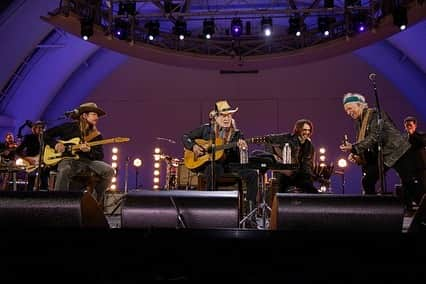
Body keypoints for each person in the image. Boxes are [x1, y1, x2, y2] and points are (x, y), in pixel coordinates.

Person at [339, 93, 425, 209]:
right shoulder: (358, 122)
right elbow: (366, 142)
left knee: (410, 184)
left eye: (350, 108)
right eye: (346, 110)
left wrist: (354, 147)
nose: (348, 112)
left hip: (399, 151)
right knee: (368, 180)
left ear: (360, 105)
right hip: (383, 155)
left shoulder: (375, 114)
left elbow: (375, 136)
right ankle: (374, 211)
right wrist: (355, 153)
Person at [182, 100, 259, 223]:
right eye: (223, 115)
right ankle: (209, 210)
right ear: (216, 117)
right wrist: (194, 147)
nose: (227, 118)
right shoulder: (206, 130)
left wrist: (243, 150)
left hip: (231, 165)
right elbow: (185, 137)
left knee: (253, 174)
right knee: (213, 169)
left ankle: (251, 214)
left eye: (229, 115)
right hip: (212, 164)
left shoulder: (237, 134)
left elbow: (242, 160)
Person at [43, 102, 115, 207]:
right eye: (94, 114)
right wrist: (56, 144)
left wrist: (89, 150)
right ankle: (58, 203)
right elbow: (45, 135)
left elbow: (100, 156)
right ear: (84, 115)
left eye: (97, 115)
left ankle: (93, 204)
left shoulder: (96, 135)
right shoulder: (68, 127)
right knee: (65, 169)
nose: (97, 117)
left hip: (87, 162)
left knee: (109, 170)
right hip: (68, 160)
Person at [264, 119, 318, 194]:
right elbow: (267, 139)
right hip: (286, 173)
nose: (307, 132)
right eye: (304, 130)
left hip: (300, 174)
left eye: (309, 130)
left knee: (310, 188)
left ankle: (316, 203)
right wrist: (273, 156)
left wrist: (311, 176)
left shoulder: (309, 145)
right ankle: (280, 204)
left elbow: (308, 164)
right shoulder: (288, 137)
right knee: (282, 188)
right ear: (298, 129)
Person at [15, 121, 49, 191]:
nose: (40, 129)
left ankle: (44, 192)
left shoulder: (46, 139)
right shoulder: (28, 137)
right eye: (38, 127)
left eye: (42, 127)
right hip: (31, 162)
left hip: (43, 162)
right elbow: (17, 151)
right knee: (31, 178)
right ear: (34, 129)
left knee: (45, 174)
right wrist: (27, 159)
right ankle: (29, 194)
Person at [403, 116, 426, 198]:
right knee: (408, 187)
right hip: (408, 167)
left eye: (410, 125)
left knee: (422, 186)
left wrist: (412, 134)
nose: (408, 127)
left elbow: (422, 142)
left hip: (420, 166)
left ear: (415, 126)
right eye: (407, 125)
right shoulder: (404, 138)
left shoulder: (421, 135)